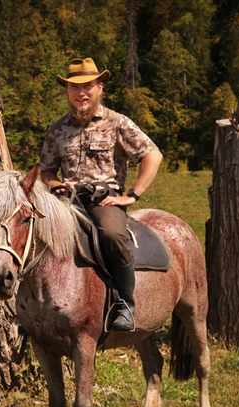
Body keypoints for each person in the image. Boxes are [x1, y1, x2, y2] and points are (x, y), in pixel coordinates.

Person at [38, 57, 163, 332]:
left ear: (100, 88)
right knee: (33, 231)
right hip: (66, 200)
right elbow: (46, 171)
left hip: (103, 199)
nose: (81, 93)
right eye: (74, 87)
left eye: (88, 86)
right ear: (68, 91)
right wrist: (55, 183)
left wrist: (133, 195)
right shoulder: (57, 129)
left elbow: (152, 155)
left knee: (111, 235)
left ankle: (124, 304)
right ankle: (33, 307)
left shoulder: (118, 123)